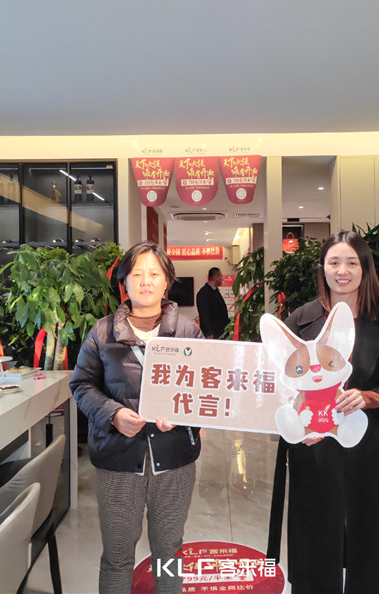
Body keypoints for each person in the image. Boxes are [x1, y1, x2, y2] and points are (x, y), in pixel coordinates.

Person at [267, 231, 379, 594]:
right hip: (314, 448)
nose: (342, 271)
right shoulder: (301, 320)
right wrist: (296, 423)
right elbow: (278, 382)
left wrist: (371, 396)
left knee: (374, 536)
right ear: (322, 268)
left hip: (371, 446)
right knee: (315, 537)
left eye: (352, 263)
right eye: (334, 262)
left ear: (364, 269)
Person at [70, 241, 204, 594]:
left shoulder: (188, 331)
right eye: (137, 274)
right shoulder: (102, 332)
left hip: (174, 459)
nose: (146, 281)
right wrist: (113, 414)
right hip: (118, 459)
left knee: (169, 551)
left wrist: (182, 414)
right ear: (124, 282)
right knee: (117, 555)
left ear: (167, 281)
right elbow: (82, 385)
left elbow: (206, 388)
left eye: (154, 274)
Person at [195, 267, 229, 339]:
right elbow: (204, 315)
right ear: (216, 277)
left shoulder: (215, 291)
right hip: (213, 334)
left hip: (221, 332)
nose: (222, 279)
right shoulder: (203, 293)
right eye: (221, 276)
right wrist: (208, 333)